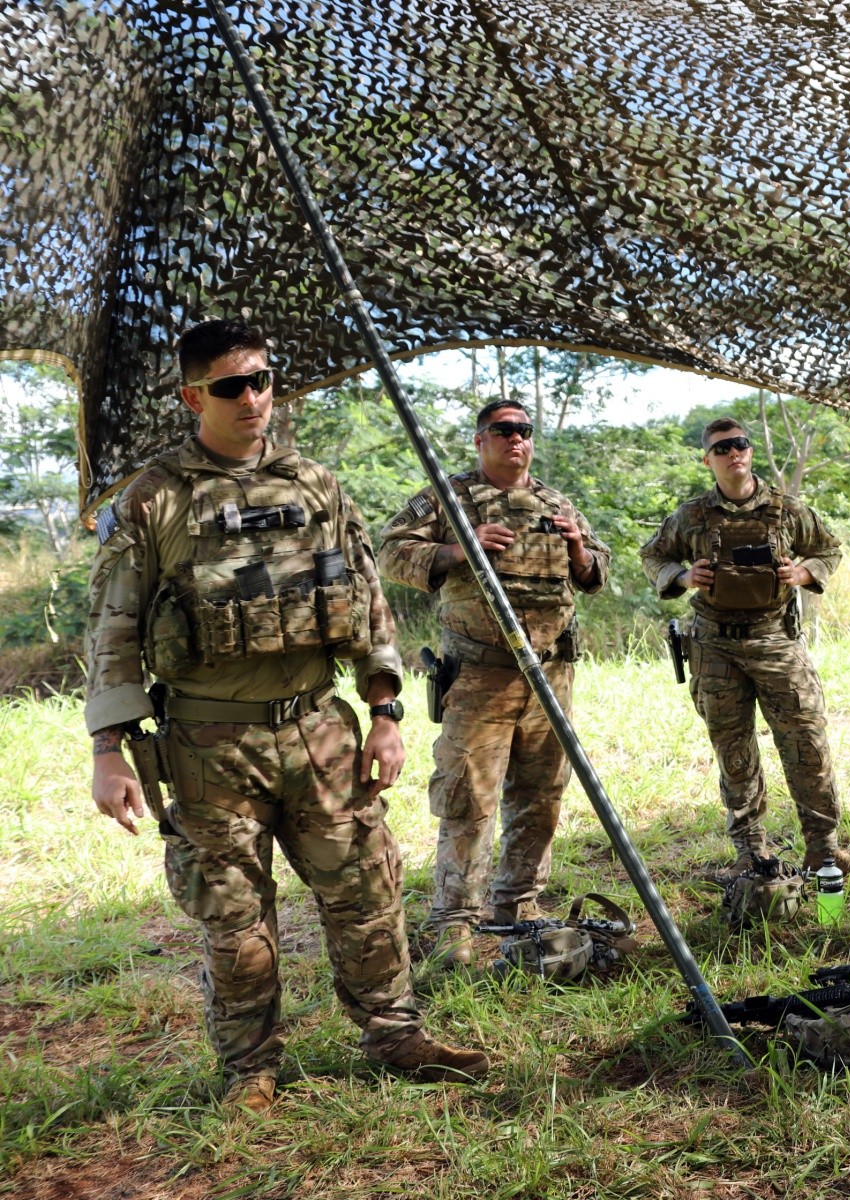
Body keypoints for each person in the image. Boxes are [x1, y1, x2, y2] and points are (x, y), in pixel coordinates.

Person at [85, 320, 489, 1115]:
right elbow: (113, 626)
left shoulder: (315, 485)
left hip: (320, 729)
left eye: (263, 380)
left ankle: (395, 1035)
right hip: (207, 743)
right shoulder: (155, 495)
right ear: (191, 395)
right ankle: (250, 1072)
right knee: (234, 925)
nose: (253, 398)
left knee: (367, 894)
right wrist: (109, 750)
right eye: (232, 385)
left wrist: (385, 712)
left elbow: (369, 605)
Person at [376, 400, 610, 966]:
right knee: (467, 797)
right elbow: (389, 552)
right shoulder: (448, 498)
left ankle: (518, 904)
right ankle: (456, 919)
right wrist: (461, 548)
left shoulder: (556, 501)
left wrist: (579, 547)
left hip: (551, 675)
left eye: (524, 431)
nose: (516, 440)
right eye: (503, 430)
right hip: (480, 674)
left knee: (541, 794)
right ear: (480, 440)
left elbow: (599, 570)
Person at [639, 417, 850, 877]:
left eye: (740, 444)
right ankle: (752, 854)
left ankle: (824, 850)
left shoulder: (787, 510)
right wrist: (683, 577)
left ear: (750, 452)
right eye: (722, 448)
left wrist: (802, 574)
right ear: (708, 460)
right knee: (734, 750)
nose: (734, 453)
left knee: (807, 745)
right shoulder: (691, 516)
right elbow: (654, 554)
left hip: (776, 640)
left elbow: (829, 549)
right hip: (715, 646)